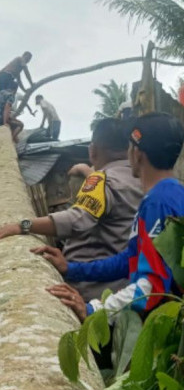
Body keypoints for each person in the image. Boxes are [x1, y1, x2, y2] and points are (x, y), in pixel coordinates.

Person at [32, 112, 184, 324]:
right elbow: (131, 259)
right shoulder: (178, 193)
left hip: (161, 325)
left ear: (137, 153)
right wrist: (71, 268)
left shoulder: (159, 202)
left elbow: (152, 285)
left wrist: (94, 310)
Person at [0, 118, 143, 301]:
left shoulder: (101, 181)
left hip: (87, 290)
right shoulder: (143, 182)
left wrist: (22, 226)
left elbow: (75, 219)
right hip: (122, 290)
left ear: (92, 151)